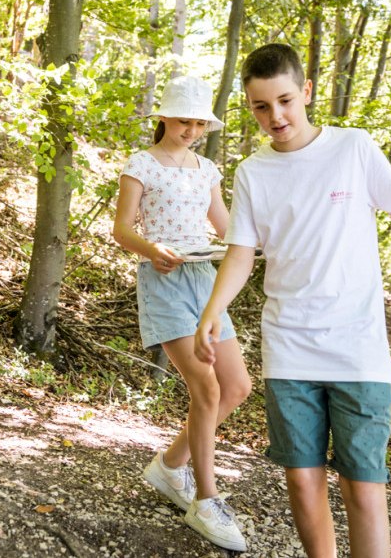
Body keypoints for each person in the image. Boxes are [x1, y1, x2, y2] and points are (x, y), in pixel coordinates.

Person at [194, 43, 391, 558]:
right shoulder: (252, 173)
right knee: (302, 481)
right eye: (261, 107)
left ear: (306, 91)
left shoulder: (354, 148)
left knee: (363, 484)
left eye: (286, 101)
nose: (277, 116)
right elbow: (241, 253)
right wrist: (213, 309)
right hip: (289, 345)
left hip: (358, 348)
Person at [112, 76, 252, 552]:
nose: (191, 129)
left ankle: (170, 466)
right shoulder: (141, 164)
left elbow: (227, 227)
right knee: (207, 387)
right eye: (184, 120)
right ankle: (206, 500)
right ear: (164, 118)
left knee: (236, 387)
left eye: (198, 123)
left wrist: (264, 241)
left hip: (206, 280)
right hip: (165, 280)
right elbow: (121, 229)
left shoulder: (207, 168)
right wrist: (153, 249)